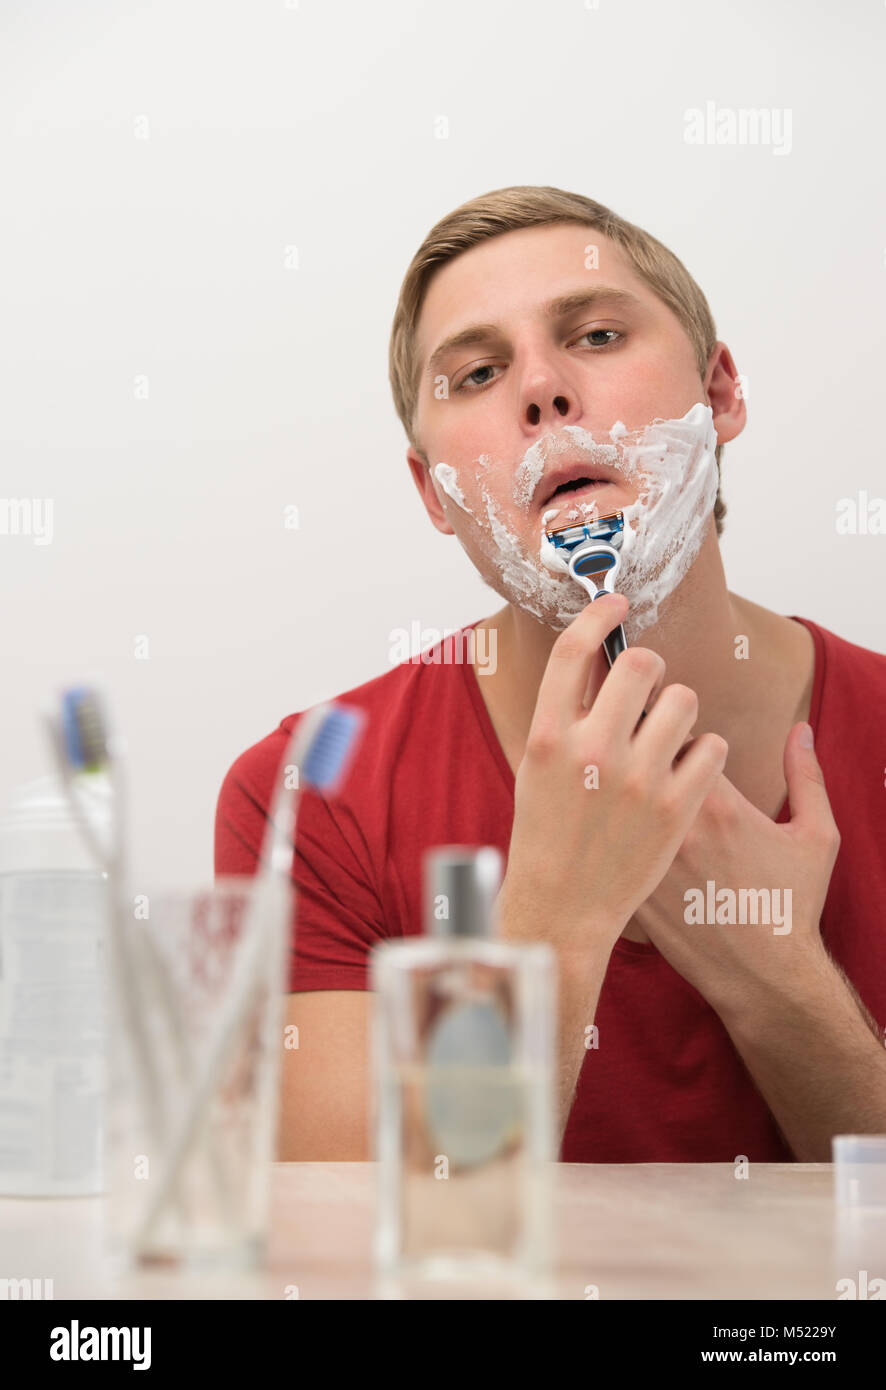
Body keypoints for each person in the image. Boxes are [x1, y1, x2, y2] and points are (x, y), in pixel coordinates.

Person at [216, 186, 886, 1163]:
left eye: (599, 335)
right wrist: (551, 924)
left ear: (722, 392)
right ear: (431, 492)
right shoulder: (313, 796)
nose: (541, 388)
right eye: (478, 372)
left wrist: (774, 976)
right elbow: (346, 1265)